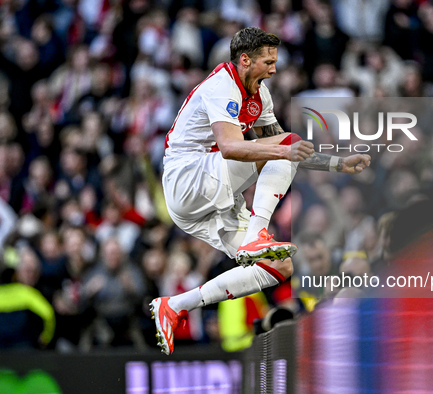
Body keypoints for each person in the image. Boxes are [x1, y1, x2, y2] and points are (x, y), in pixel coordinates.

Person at [150, 27, 371, 355]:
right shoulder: (221, 85)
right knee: (283, 146)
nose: (274, 69)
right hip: (187, 179)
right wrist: (285, 151)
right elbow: (230, 147)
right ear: (244, 60)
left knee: (279, 268)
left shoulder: (260, 96)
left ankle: (175, 306)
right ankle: (257, 233)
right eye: (268, 61)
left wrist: (337, 165)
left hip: (206, 200)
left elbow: (287, 152)